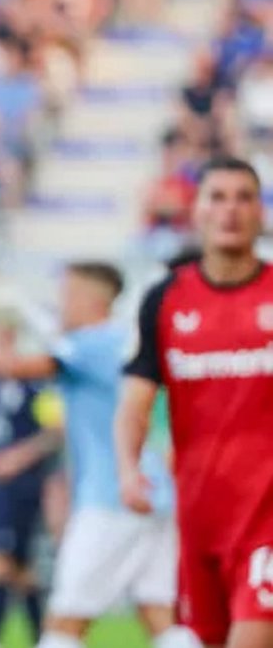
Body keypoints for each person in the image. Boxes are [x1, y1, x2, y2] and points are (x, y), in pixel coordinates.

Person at [0, 262, 200, 648]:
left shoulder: (89, 343)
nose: (61, 304)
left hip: (112, 498)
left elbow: (11, 366)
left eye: (66, 295)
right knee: (160, 616)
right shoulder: (121, 340)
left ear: (88, 299)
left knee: (64, 623)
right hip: (154, 492)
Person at [117, 156, 273, 648]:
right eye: (217, 197)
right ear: (197, 209)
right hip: (200, 515)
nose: (231, 210)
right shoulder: (164, 300)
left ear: (261, 211)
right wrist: (128, 469)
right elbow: (136, 399)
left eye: (244, 197)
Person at [0, 313, 62, 648]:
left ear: (8, 339)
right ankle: (42, 638)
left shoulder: (34, 386)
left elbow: (55, 432)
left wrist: (18, 458)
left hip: (24, 484)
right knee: (20, 568)